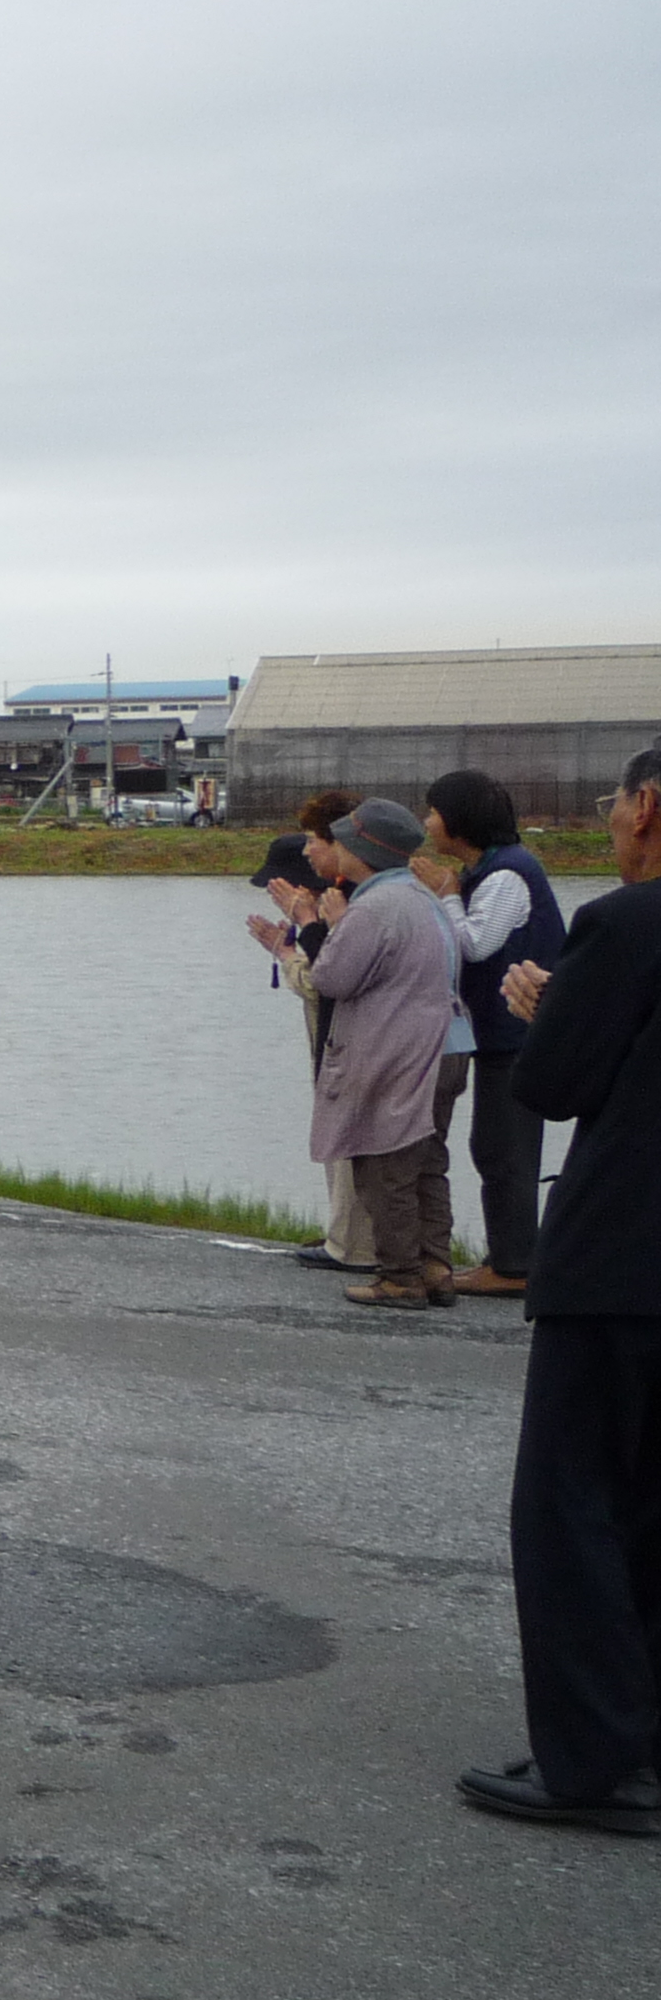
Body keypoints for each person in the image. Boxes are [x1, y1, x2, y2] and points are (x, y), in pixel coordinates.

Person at [460, 744, 661, 1834]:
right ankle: (644, 1745)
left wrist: (553, 1010)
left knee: (574, 1505)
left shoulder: (626, 925)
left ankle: (591, 1762)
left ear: (649, 806)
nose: (614, 821)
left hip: (624, 1257)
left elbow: (555, 1084)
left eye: (616, 803)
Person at [302, 796, 470, 1310]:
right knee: (428, 1163)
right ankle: (435, 1267)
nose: (337, 849)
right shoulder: (423, 897)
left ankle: (400, 1276)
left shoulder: (374, 907)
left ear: (362, 849)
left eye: (343, 840)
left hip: (402, 1052)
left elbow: (332, 978)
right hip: (450, 1045)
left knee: (385, 1163)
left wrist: (331, 927)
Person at [411, 767, 567, 1299]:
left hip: (518, 1037)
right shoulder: (490, 869)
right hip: (505, 1037)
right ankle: (510, 1254)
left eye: (434, 812)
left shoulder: (506, 875)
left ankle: (515, 1265)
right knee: (495, 1146)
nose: (427, 822)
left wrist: (446, 895)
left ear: (459, 821)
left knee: (505, 1150)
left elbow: (475, 945)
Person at [246, 790, 371, 1270]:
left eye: (313, 842)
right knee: (338, 1138)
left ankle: (352, 1244)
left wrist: (286, 952)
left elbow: (323, 983)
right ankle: (344, 1233)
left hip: (346, 1047)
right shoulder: (333, 912)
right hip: (334, 1047)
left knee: (349, 1143)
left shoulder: (337, 913)